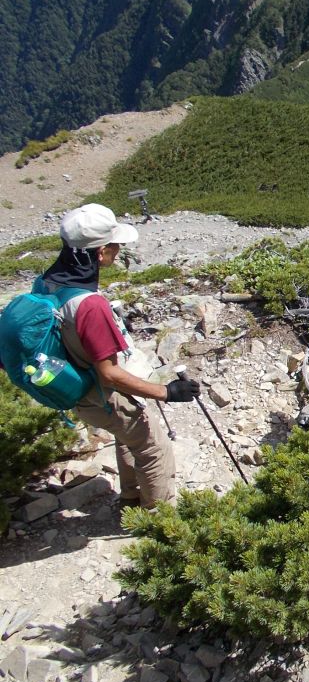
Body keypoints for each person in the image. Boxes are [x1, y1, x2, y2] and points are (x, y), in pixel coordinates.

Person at [37, 204, 199, 509]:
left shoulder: (47, 282)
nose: (119, 249)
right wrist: (166, 392)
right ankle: (159, 521)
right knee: (154, 448)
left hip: (71, 383)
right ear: (99, 253)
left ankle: (130, 498)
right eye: (115, 245)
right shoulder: (89, 305)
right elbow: (109, 373)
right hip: (98, 393)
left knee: (128, 435)